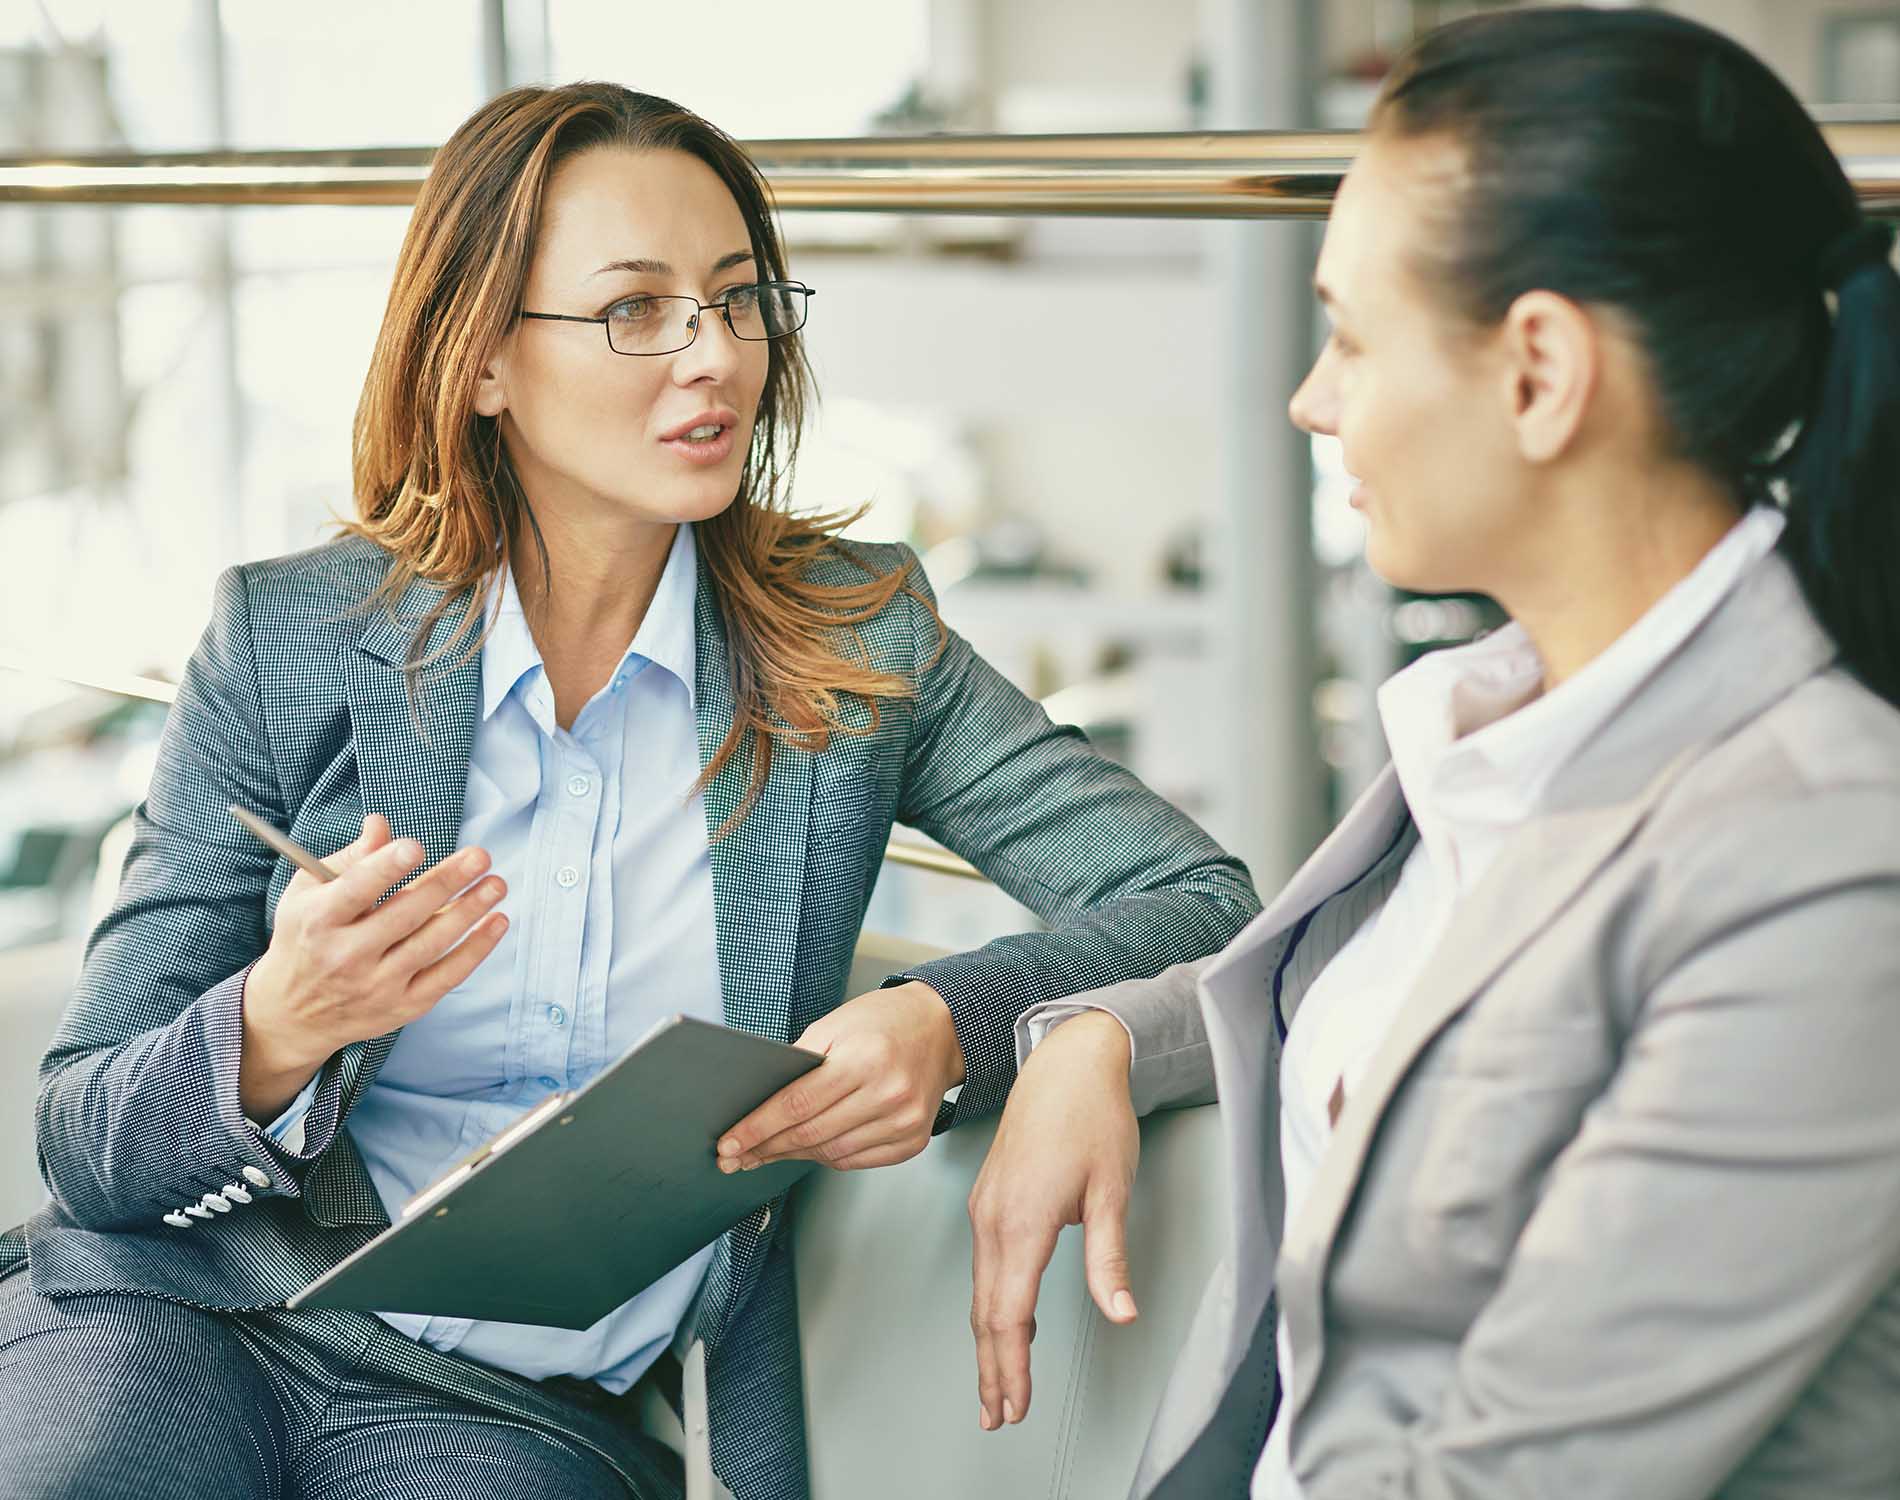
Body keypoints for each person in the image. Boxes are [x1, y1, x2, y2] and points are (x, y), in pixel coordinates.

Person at [0, 83, 1258, 1500]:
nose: (715, 357)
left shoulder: (859, 641)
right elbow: (86, 1141)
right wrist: (275, 1028)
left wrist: (951, 1023)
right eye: (637, 310)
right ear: (482, 362)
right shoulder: (285, 640)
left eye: (740, 299)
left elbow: (1204, 899)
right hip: (182, 1313)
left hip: (500, 1409)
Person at [967, 9, 1900, 1497]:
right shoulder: (1503, 722)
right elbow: (1416, 1022)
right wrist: (1101, 1033)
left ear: (1539, 373)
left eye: (1349, 334)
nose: (1312, 399)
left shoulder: (1824, 861)